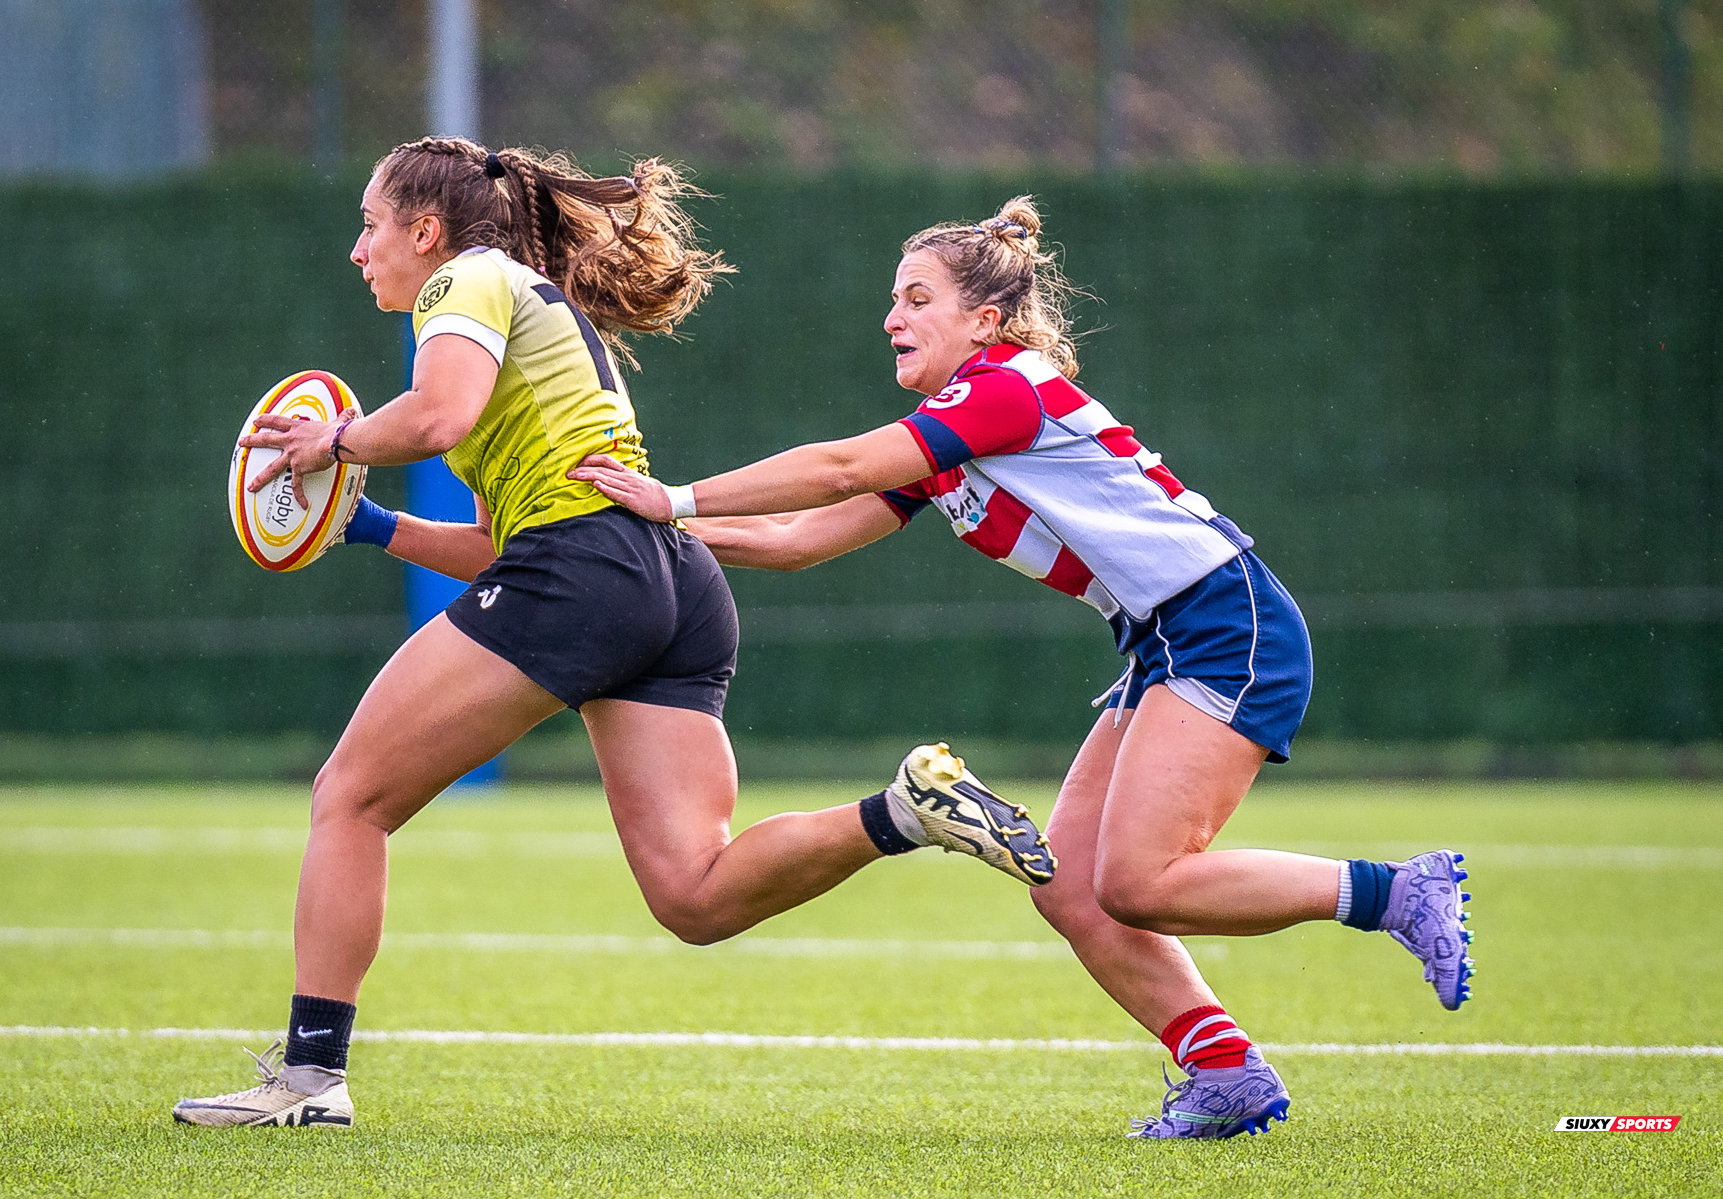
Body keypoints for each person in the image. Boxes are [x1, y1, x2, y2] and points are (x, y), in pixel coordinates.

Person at [172, 140, 1055, 1128]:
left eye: (370, 225)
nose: (357, 249)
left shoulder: (464, 280)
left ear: (426, 232)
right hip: (667, 579)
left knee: (349, 798)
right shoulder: (530, 308)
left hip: (587, 573)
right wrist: (369, 523)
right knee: (696, 894)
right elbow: (501, 545)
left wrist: (333, 440)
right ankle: (904, 811)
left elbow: (436, 416)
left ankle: (308, 1079)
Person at [570, 196, 1475, 1140]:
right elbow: (798, 539)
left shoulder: (1005, 388)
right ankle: (1226, 1073)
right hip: (1168, 639)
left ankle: (1394, 892)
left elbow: (840, 467)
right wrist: (648, 525)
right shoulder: (951, 432)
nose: (892, 317)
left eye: (917, 299)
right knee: (1069, 883)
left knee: (1139, 881)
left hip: (1225, 623)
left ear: (986, 321)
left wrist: (673, 496)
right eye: (894, 299)